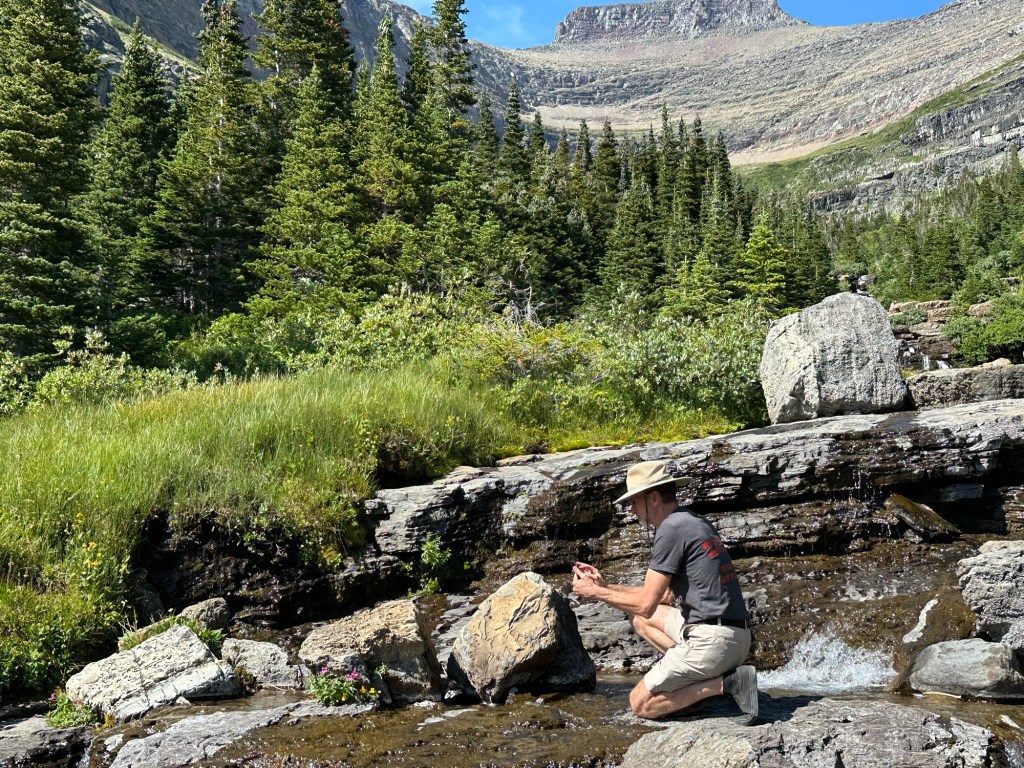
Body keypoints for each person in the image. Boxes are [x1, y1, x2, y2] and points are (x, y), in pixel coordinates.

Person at [572, 460, 758, 723]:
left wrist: (594, 593)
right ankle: (696, 682)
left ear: (654, 497)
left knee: (641, 704)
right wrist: (604, 586)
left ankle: (727, 685)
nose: (633, 510)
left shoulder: (671, 529)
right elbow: (661, 598)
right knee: (640, 620)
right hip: (732, 637)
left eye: (635, 502)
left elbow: (646, 602)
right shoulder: (691, 521)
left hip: (714, 641)